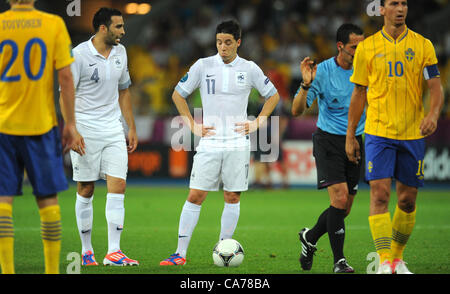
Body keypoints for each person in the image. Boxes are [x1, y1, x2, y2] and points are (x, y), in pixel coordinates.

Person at [160, 20, 280, 266]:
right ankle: (179, 254)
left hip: (237, 142)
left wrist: (257, 122)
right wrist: (192, 125)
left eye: (227, 42)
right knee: (195, 195)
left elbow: (273, 95)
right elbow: (177, 94)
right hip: (210, 142)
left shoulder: (249, 68)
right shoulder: (203, 66)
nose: (222, 47)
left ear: (238, 42)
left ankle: (224, 248)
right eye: (218, 42)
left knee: (232, 196)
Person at [345, 0, 443, 274]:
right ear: (382, 10)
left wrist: (433, 115)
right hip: (378, 132)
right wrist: (350, 135)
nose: (400, 8)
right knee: (379, 194)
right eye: (394, 3)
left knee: (407, 201)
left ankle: (397, 260)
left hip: (412, 133)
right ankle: (385, 262)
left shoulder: (423, 45)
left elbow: (435, 88)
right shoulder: (367, 48)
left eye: (404, 3)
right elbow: (359, 93)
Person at [0, 0, 83, 274]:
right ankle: (51, 271)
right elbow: (66, 78)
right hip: (41, 125)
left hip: (3, 126)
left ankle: (8, 271)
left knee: (3, 201)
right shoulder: (53, 24)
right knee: (47, 200)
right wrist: (70, 123)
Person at [61, 7, 139, 267]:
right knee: (86, 187)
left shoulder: (121, 52)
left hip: (113, 128)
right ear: (103, 28)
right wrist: (72, 128)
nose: (123, 32)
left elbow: (124, 91)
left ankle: (114, 252)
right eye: (118, 27)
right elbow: (65, 95)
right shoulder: (79, 55)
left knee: (118, 185)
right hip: (85, 128)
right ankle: (86, 250)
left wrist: (131, 127)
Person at [292, 24, 365, 273]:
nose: (359, 50)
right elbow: (297, 110)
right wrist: (305, 84)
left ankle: (310, 237)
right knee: (340, 199)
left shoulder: (365, 69)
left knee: (344, 208)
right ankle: (339, 261)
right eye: (355, 46)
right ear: (341, 46)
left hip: (356, 141)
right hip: (329, 141)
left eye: (362, 46)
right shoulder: (322, 71)